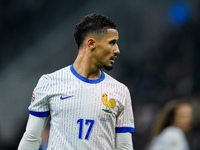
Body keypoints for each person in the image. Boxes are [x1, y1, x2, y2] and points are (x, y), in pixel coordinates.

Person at [18, 13, 135, 150]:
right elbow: (32, 138)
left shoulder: (120, 91)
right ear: (91, 43)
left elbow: (124, 147)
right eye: (112, 43)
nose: (117, 50)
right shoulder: (49, 82)